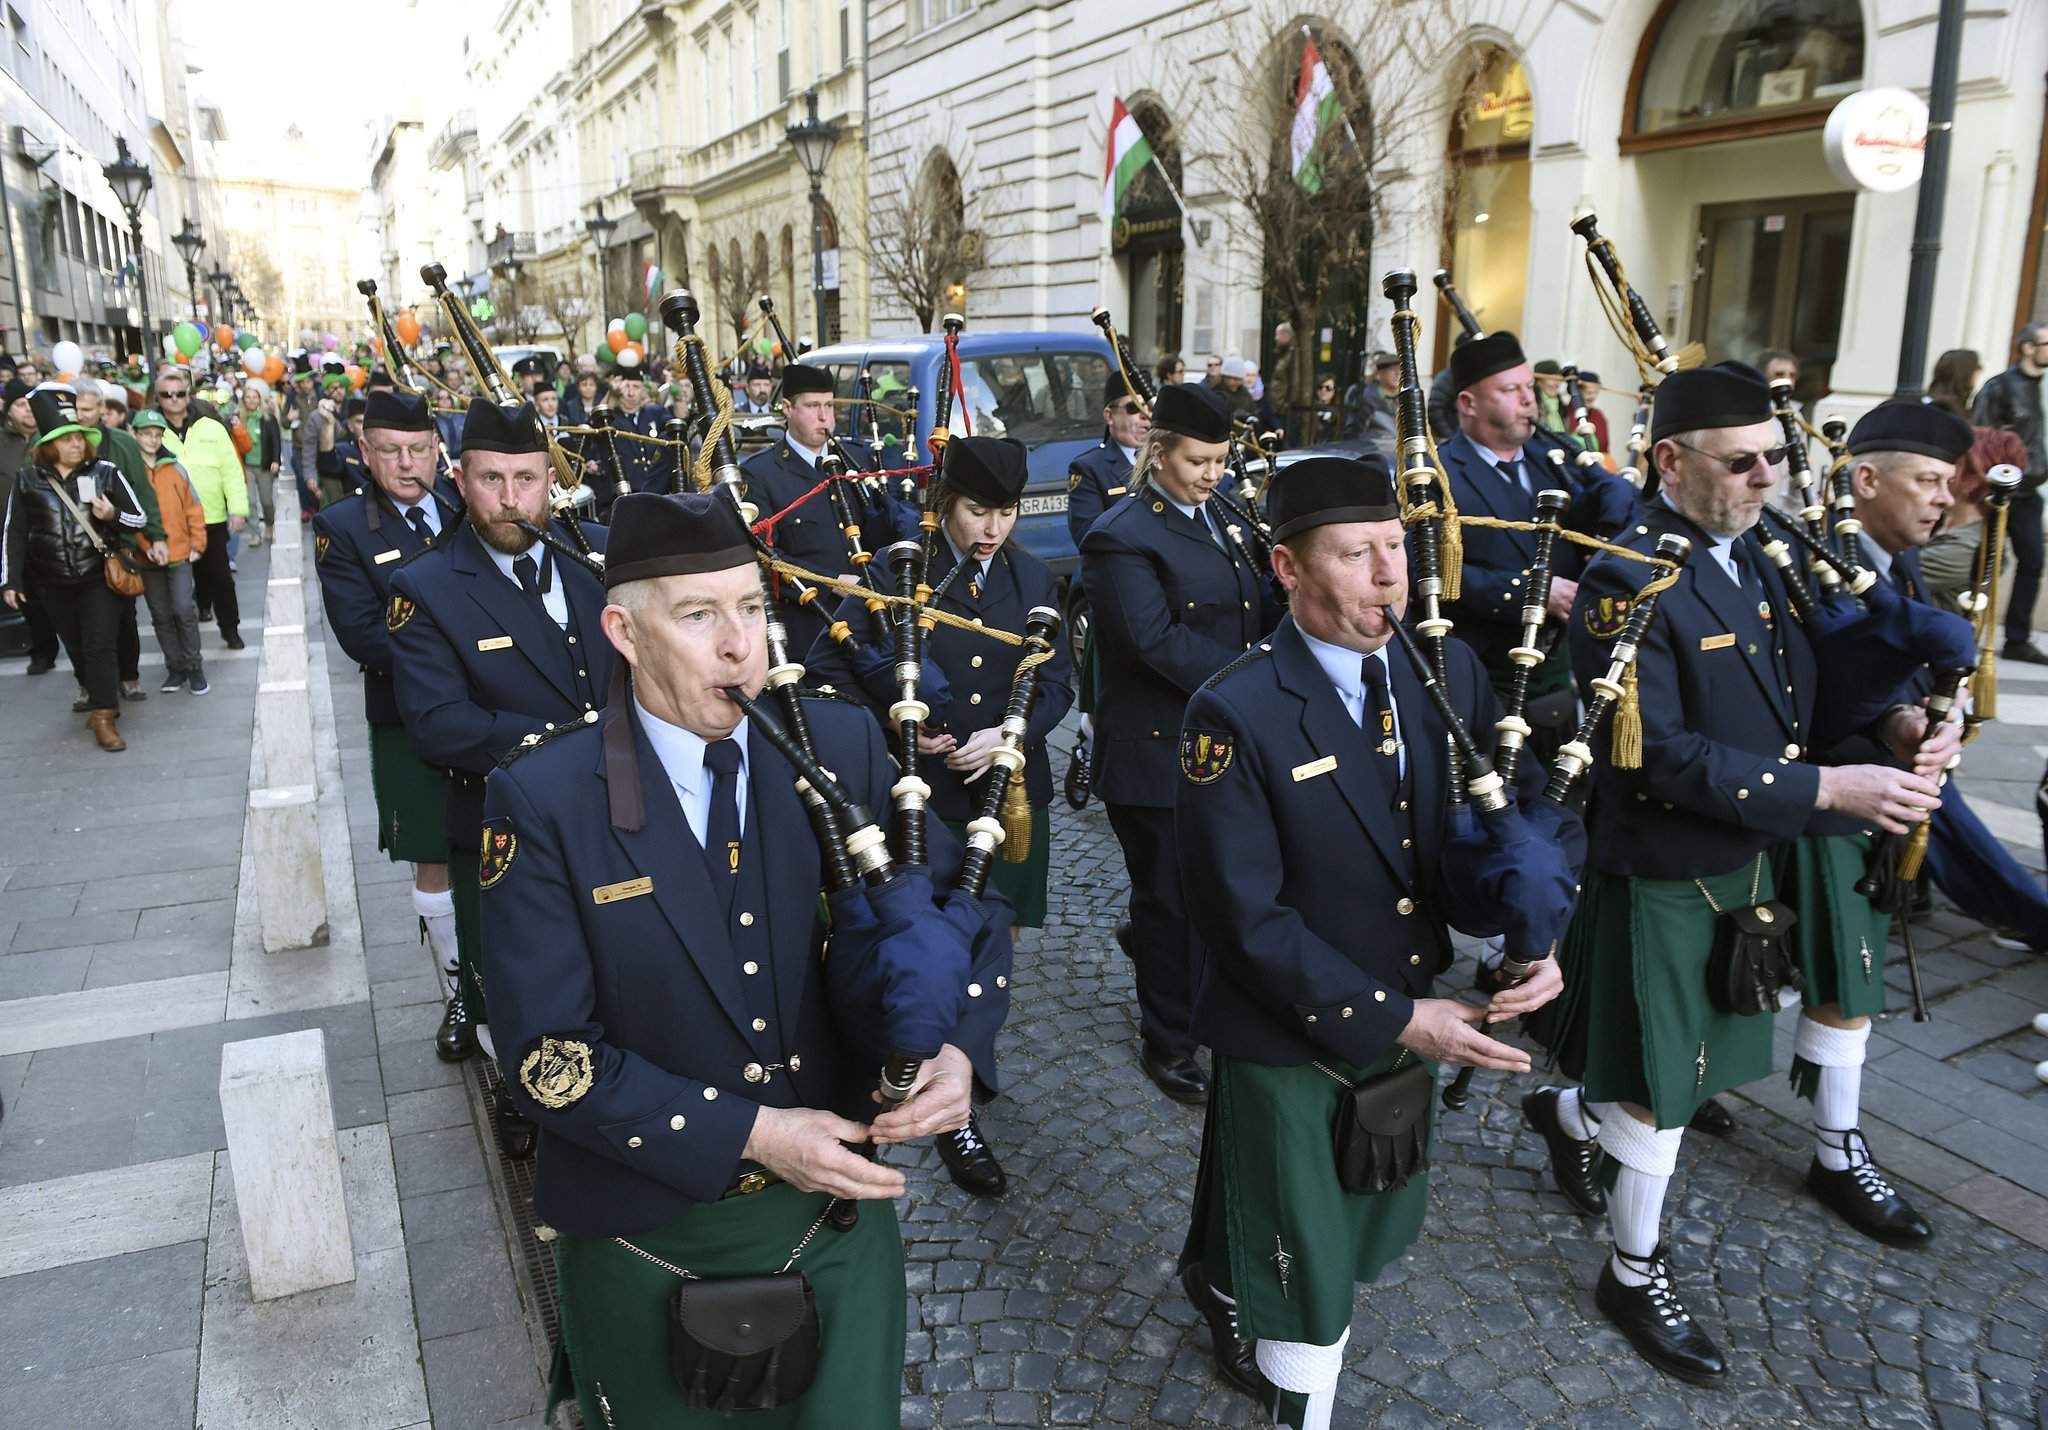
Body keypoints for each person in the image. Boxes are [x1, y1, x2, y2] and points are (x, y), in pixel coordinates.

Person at [477, 488, 1002, 1429]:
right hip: (646, 1227)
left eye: (752, 608)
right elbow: (549, 1060)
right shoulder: (545, 798)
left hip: (833, 1220)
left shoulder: (837, 742)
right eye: (698, 615)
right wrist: (756, 1134)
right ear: (624, 633)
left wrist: (958, 1046)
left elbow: (953, 911)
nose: (740, 647)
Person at [1527, 364, 1949, 1384]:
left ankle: (1567, 1111)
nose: (1766, 478)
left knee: (1688, 1066)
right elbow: (1652, 755)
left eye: (1773, 458)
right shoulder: (1629, 577)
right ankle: (1631, 1272)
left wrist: (1893, 724)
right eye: (1741, 461)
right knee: (1661, 1091)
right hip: (1661, 866)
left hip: (1741, 856)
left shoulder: (1756, 553)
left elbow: (1806, 694)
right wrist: (1827, 788)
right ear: (1669, 461)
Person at [1175, 454, 1563, 1420]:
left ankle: (1219, 1277)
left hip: (1405, 1011)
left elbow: (1496, 827)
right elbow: (1241, 918)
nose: (1391, 574)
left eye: (1396, 547)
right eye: (1356, 554)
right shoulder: (1233, 711)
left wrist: (1533, 933)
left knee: (1354, 1224)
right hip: (1292, 1031)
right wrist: (1401, 1018)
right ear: (1288, 568)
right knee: (1309, 1277)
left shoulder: (1444, 669)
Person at [806, 436, 1073, 1197]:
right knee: (922, 947)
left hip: (1007, 796)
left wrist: (1012, 736)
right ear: (945, 502)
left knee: (994, 941)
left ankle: (960, 1074)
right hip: (920, 802)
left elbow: (1058, 682)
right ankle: (911, 1092)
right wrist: (897, 724)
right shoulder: (899, 572)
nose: (993, 529)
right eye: (978, 511)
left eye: (1006, 512)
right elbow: (830, 667)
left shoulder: (1033, 576)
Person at [386, 397, 614, 1160]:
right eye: (492, 479)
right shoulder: (426, 586)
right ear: (460, 480)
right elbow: (439, 725)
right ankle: (520, 1088)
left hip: (617, 808)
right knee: (518, 979)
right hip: (504, 823)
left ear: (551, 480)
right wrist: (578, 744)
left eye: (527, 479)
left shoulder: (598, 556)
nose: (511, 498)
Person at [1081, 383, 1282, 1103]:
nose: (1212, 474)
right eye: (1198, 461)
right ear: (1158, 451)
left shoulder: (1223, 516)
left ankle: (1190, 989)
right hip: (1155, 750)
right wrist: (1256, 677)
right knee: (1169, 902)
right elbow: (1152, 642)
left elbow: (1254, 603)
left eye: (1221, 461)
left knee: (1214, 892)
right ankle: (1168, 1042)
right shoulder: (1121, 534)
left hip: (1221, 742)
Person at [1844, 402, 2048, 954]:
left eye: (1950, 480)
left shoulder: (1929, 549)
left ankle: (2019, 913)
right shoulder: (1875, 550)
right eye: (1929, 480)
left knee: (1942, 821)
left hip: (1908, 710)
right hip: (1874, 728)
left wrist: (1946, 704)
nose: (1943, 495)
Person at [313, 390, 471, 1059]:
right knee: (434, 855)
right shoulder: (343, 526)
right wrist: (469, 648)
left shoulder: (467, 503)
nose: (407, 465)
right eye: (390, 451)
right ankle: (459, 991)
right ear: (365, 452)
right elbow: (363, 635)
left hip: (493, 708)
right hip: (409, 719)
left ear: (438, 449)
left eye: (418, 450)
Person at [1433, 331, 1634, 768]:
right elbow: (1425, 573)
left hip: (1562, 666)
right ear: (1468, 403)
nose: (1529, 400)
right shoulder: (1439, 474)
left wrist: (1608, 523)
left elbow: (1610, 498)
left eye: (1529, 387)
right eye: (1511, 390)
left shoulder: (1552, 458)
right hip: (1484, 673)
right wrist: (1533, 593)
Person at [1, 387, 151, 750]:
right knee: (77, 647)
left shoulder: (106, 472)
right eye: (67, 439)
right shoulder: (28, 480)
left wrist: (111, 514)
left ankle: (104, 715)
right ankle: (95, 692)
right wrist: (11, 580)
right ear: (49, 445)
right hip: (51, 582)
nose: (76, 444)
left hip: (98, 577)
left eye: (79, 438)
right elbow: (14, 532)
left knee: (100, 646)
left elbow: (139, 517)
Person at [738, 362, 898, 658]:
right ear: (787, 408)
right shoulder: (760, 473)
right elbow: (764, 556)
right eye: (813, 406)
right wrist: (831, 583)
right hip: (810, 628)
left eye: (829, 405)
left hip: (871, 621)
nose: (825, 416)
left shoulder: (856, 458)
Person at [75, 380, 165, 705]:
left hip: (117, 545)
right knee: (79, 624)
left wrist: (156, 535)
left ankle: (129, 676)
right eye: (76, 409)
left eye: (87, 408)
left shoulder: (123, 443)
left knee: (124, 617)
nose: (81, 415)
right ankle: (89, 684)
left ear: (101, 409)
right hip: (74, 550)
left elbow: (143, 492)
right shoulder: (58, 443)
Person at [157, 369, 249, 650]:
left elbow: (231, 471)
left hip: (211, 515)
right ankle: (186, 634)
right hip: (169, 520)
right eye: (167, 395)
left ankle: (230, 629)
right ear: (158, 398)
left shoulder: (211, 427)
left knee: (220, 577)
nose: (174, 399)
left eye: (179, 393)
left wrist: (238, 509)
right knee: (177, 583)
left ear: (188, 394)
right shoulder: (151, 430)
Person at [1974, 322, 2048, 663]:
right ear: (2028, 348)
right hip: (2001, 491)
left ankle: (2017, 639)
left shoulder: (2042, 387)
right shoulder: (2000, 387)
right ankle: (1967, 625)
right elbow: (1981, 438)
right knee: (1985, 561)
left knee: (2032, 561)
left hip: (2031, 492)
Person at [129, 410, 210, 694]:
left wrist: (198, 542)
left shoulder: (176, 469)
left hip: (179, 551)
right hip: (148, 556)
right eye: (146, 434)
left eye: (157, 435)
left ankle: (194, 665)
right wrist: (146, 546)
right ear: (135, 435)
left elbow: (193, 508)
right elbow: (129, 515)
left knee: (184, 609)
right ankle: (175, 667)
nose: (152, 440)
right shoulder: (130, 472)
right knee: (161, 614)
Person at [233, 379, 282, 548]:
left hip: (265, 466)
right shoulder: (239, 419)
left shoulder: (268, 419)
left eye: (255, 397)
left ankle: (269, 525)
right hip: (246, 466)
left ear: (260, 399)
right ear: (243, 400)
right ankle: (255, 533)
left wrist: (276, 460)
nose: (251, 400)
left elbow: (276, 441)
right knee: (250, 502)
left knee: (267, 500)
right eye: (248, 397)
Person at [1577, 370, 1612, 455]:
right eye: (1589, 392)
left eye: (1595, 392)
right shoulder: (1565, 413)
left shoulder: (1598, 416)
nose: (1593, 397)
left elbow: (1605, 450)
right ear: (1578, 391)